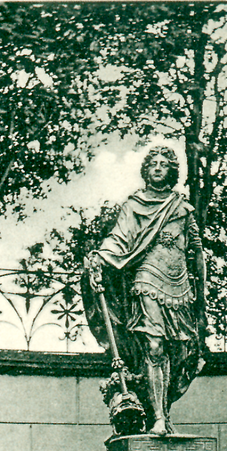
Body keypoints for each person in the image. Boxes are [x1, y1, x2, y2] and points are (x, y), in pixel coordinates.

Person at [82, 145, 206, 435]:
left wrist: (202, 293)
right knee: (154, 346)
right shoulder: (134, 205)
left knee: (181, 352)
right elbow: (119, 237)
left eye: (165, 163)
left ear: (172, 170)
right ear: (146, 170)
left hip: (180, 286)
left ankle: (161, 412)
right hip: (146, 280)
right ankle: (159, 419)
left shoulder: (182, 207)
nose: (159, 167)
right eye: (153, 163)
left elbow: (197, 250)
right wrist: (100, 256)